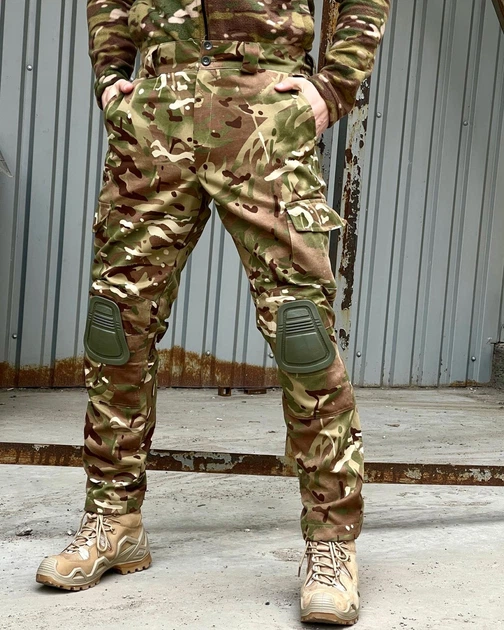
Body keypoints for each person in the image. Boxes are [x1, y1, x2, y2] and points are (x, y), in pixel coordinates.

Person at [36, 0, 389, 624]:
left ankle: (331, 541)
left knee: (301, 332)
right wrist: (111, 75)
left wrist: (334, 86)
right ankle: (114, 520)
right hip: (154, 117)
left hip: (264, 113)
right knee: (116, 327)